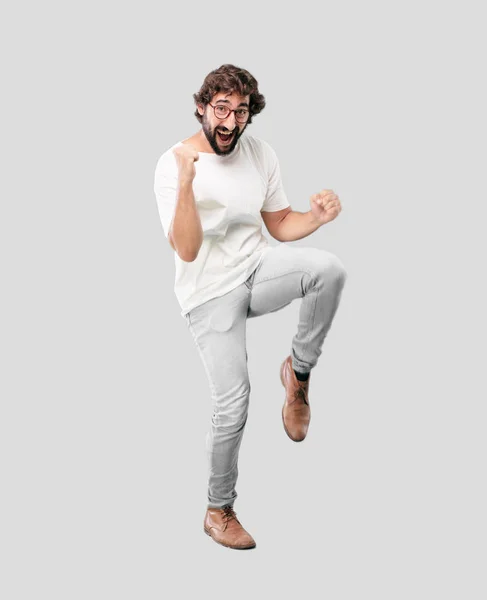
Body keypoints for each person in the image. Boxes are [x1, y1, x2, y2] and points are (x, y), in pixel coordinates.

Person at [153, 64, 347, 550]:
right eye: (221, 108)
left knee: (328, 270)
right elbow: (188, 250)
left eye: (240, 111)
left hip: (255, 269)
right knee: (233, 401)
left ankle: (297, 376)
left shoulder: (259, 152)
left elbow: (279, 223)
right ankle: (218, 510)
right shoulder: (173, 163)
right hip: (208, 293)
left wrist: (316, 219)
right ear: (202, 107)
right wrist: (184, 185)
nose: (230, 121)